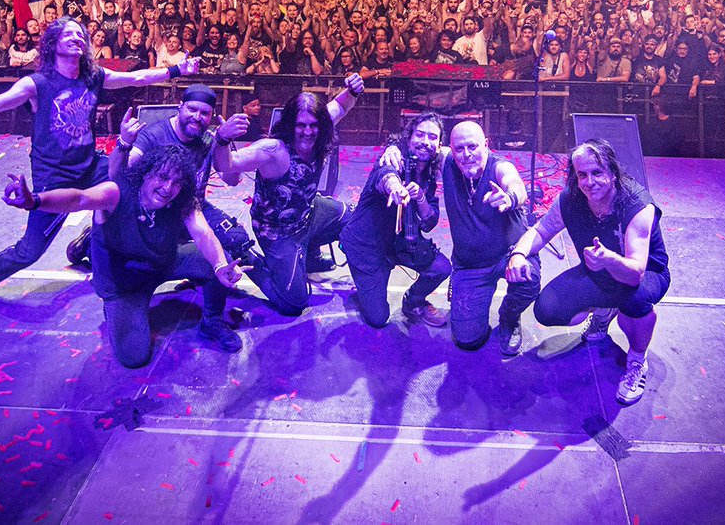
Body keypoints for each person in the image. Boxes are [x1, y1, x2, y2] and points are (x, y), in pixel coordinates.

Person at [0, 16, 200, 314]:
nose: (78, 37)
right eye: (69, 34)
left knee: (137, 186)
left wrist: (178, 69)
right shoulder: (37, 84)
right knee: (30, 251)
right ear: (53, 43)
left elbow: (137, 78)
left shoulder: (93, 76)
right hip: (55, 176)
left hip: (90, 167)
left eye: (81, 34)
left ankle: (95, 240)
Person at [1, 130, 246, 366]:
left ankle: (212, 321)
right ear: (146, 173)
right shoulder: (117, 193)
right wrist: (34, 201)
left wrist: (220, 265)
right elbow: (79, 198)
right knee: (134, 357)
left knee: (219, 259)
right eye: (162, 177)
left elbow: (203, 233)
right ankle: (94, 250)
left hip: (162, 263)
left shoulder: (181, 200)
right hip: (123, 285)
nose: (168, 188)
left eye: (176, 182)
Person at [507, 139, 670, 405]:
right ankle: (604, 312)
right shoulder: (571, 200)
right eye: (582, 174)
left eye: (597, 172)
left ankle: (637, 360)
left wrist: (608, 259)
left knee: (634, 300)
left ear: (612, 173)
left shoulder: (637, 205)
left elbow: (636, 273)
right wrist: (518, 254)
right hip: (600, 269)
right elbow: (541, 230)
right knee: (547, 309)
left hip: (645, 274)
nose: (589, 181)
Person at [215, 74, 365, 316]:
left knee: (357, 219)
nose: (308, 132)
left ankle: (311, 255)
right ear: (290, 125)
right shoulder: (272, 150)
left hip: (309, 212)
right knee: (294, 303)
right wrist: (222, 138)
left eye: (314, 125)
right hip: (277, 232)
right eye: (300, 125)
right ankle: (244, 253)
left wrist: (354, 91)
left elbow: (341, 105)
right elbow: (227, 165)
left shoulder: (319, 131)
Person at [383, 120, 538, 354]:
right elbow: (420, 146)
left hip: (510, 254)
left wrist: (510, 197)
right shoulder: (447, 161)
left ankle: (509, 317)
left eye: (473, 147)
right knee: (467, 339)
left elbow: (515, 183)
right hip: (471, 264)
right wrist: (394, 146)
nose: (466, 155)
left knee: (528, 278)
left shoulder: (498, 167)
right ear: (451, 150)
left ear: (486, 145)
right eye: (459, 149)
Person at [68, 83, 256, 267]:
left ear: (211, 116)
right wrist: (124, 143)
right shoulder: (153, 135)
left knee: (236, 240)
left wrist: (224, 142)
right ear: (180, 107)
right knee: (128, 258)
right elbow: (117, 174)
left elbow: (231, 180)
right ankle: (88, 242)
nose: (197, 117)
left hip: (191, 207)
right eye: (192, 109)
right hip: (156, 206)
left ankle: (197, 273)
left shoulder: (210, 137)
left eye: (204, 113)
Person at [342, 112, 451, 328]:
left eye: (432, 137)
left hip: (400, 243)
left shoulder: (429, 172)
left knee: (440, 268)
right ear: (409, 137)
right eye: (420, 135)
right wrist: (395, 188)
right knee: (378, 317)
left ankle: (413, 302)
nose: (425, 142)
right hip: (368, 246)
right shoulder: (393, 158)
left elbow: (429, 223)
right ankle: (365, 282)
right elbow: (386, 175)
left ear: (439, 145)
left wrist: (420, 197)